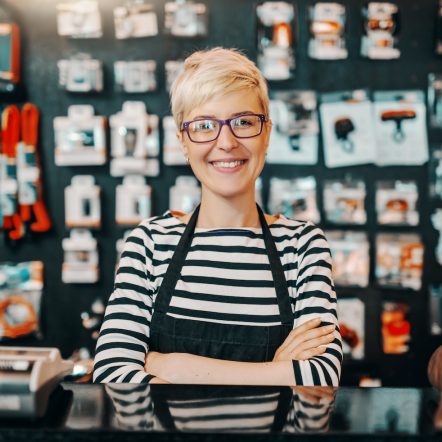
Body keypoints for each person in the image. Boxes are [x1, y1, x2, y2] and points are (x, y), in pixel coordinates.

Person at [93, 47, 342, 385]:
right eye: (204, 125)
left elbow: (321, 377)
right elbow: (111, 374)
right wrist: (276, 372)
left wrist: (174, 367)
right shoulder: (150, 243)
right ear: (183, 141)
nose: (226, 142)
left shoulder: (301, 246)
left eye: (243, 122)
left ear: (266, 133)